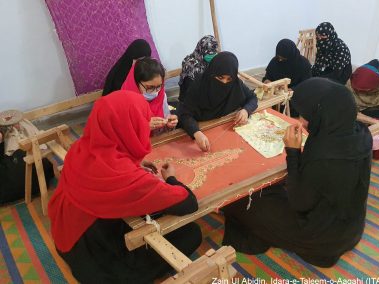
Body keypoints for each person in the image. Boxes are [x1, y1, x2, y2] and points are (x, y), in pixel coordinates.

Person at [48, 90, 202, 283]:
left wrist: (132, 162)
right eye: (141, 122)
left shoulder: (81, 147)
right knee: (192, 233)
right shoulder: (127, 178)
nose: (145, 127)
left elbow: (106, 166)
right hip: (100, 267)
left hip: (67, 239)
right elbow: (188, 202)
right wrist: (171, 179)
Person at [222, 78, 372, 268]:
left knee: (241, 202)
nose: (301, 121)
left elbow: (300, 203)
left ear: (322, 114)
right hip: (351, 228)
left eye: (306, 115)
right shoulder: (360, 134)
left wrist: (293, 152)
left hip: (322, 237)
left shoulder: (325, 154)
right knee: (271, 188)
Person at [177, 52, 258, 152]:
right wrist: (196, 133)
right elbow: (184, 114)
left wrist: (246, 110)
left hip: (227, 130)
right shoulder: (198, 86)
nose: (224, 82)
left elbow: (253, 98)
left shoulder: (236, 84)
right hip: (201, 131)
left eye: (229, 79)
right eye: (220, 77)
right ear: (212, 73)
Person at [121, 57, 178, 134]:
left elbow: (166, 118)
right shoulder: (123, 102)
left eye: (159, 86)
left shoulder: (161, 94)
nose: (155, 91)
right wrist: (145, 127)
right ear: (136, 83)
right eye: (150, 87)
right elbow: (122, 134)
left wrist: (170, 124)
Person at [262, 39, 312, 116]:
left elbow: (307, 85)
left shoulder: (303, 64)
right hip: (276, 96)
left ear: (290, 55)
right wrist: (267, 82)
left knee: (291, 111)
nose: (280, 60)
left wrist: (292, 89)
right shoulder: (275, 61)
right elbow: (267, 77)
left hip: (294, 98)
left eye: (283, 58)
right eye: (279, 57)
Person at [178, 35, 219, 102]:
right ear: (201, 49)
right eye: (209, 53)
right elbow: (191, 88)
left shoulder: (212, 61)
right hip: (190, 99)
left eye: (214, 53)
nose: (212, 56)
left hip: (205, 96)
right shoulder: (190, 63)